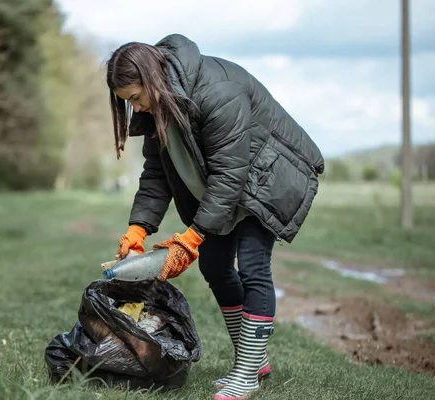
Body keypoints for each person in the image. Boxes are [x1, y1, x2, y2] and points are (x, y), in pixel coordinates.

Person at [107, 34, 324, 400]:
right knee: (215, 266)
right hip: (227, 183)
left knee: (253, 266)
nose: (136, 108)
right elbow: (157, 173)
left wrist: (191, 238)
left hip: (267, 177)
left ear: (151, 79)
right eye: (127, 102)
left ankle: (248, 374)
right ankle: (253, 360)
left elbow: (229, 176)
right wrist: (137, 227)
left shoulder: (217, 92)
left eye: (135, 98)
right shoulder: (158, 106)